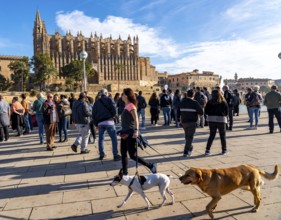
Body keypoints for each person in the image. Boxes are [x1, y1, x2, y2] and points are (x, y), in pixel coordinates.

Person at [120, 88, 157, 175]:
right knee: (123, 153)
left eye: (122, 94)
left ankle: (151, 165)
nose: (121, 95)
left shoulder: (131, 106)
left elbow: (136, 118)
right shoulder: (126, 105)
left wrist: (136, 131)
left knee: (132, 155)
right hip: (125, 133)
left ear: (126, 96)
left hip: (131, 133)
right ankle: (125, 173)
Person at [92, 89, 121, 161]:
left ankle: (102, 155)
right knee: (114, 139)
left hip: (100, 123)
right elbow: (114, 109)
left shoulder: (96, 102)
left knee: (101, 139)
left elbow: (93, 114)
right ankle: (115, 155)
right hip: (109, 122)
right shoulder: (109, 99)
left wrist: (96, 123)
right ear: (106, 93)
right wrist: (114, 115)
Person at [179, 89, 203, 157]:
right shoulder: (195, 102)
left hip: (184, 122)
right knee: (190, 137)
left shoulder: (182, 102)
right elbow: (201, 113)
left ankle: (190, 147)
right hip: (192, 122)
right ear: (193, 95)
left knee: (187, 136)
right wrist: (198, 117)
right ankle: (186, 152)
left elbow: (178, 112)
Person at [205, 90, 229, 155]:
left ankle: (207, 150)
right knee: (222, 136)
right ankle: (224, 150)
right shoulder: (223, 102)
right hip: (221, 120)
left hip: (211, 119)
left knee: (212, 135)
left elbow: (206, 111)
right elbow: (227, 112)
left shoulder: (209, 102)